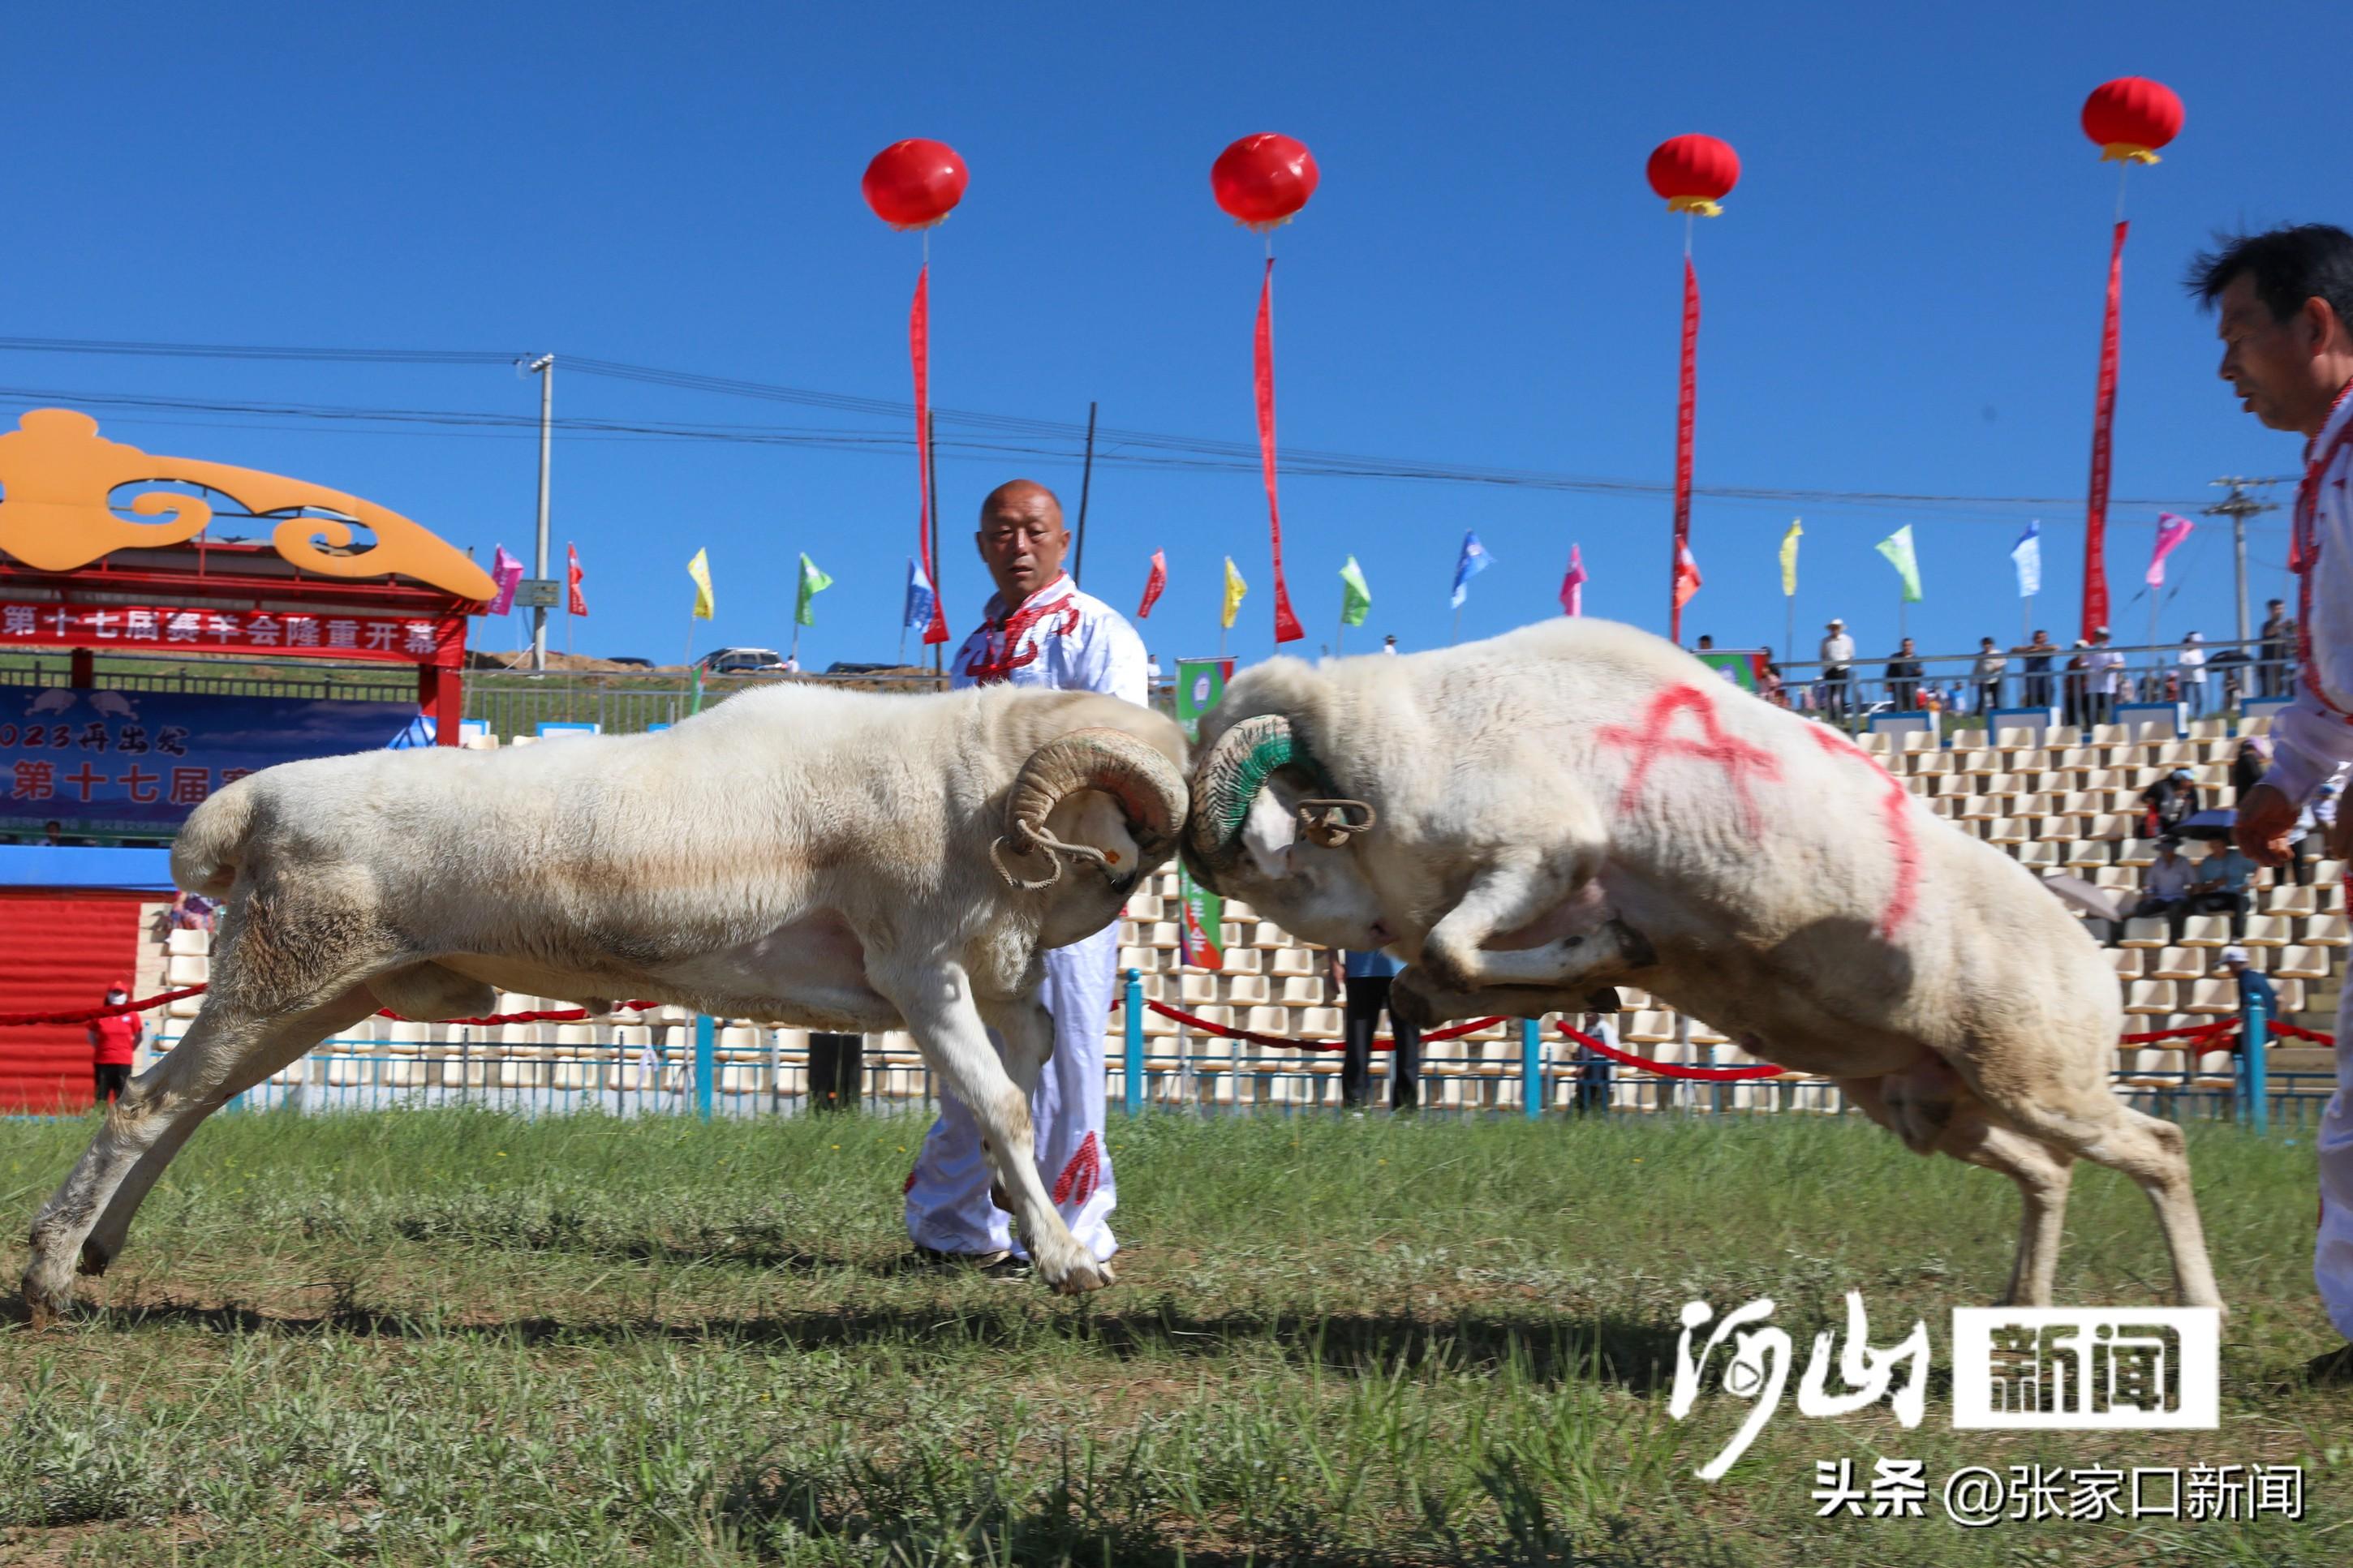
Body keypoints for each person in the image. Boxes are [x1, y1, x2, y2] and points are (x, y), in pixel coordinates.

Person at [904, 478, 1146, 1274]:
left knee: (1067, 1052)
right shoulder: (972, 650)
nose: (1018, 545)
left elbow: (1122, 751)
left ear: (1062, 540)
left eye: (1033, 530)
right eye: (1000, 532)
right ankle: (954, 1223)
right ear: (978, 546)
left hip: (1070, 881)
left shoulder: (1098, 633)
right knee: (964, 1049)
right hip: (976, 884)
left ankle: (1076, 1226)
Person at [2200, 223, 2353, 1385]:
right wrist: (2286, 784)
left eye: (2241, 333)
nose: (2226, 368)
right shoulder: (2329, 472)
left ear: (2320, 325)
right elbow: (2330, 681)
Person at [1328, 948, 1422, 1111]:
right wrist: (1334, 961)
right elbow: (1331, 922)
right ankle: (1354, 1108)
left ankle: (1406, 1111)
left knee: (1408, 1045)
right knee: (1357, 1046)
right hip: (1360, 969)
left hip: (1407, 970)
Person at [2127, 837, 2198, 943]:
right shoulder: (2157, 863)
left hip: (2179, 898)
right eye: (2164, 850)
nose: (2166, 853)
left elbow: (2193, 883)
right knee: (2141, 908)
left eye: (2168, 850)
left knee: (2174, 910)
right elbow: (2148, 884)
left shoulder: (2184, 862)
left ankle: (2173, 939)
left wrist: (2190, 898)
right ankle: (2145, 936)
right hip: (2160, 898)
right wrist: (2148, 894)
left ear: (2173, 850)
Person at [2188, 841, 2257, 942]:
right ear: (2210, 847)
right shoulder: (2207, 862)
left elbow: (2259, 867)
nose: (2217, 849)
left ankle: (2238, 936)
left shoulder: (2238, 856)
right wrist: (2213, 885)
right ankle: (2204, 934)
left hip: (2237, 894)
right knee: (2197, 900)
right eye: (2214, 846)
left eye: (2219, 846)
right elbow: (2199, 887)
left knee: (2239, 900)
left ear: (2225, 845)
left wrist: (2250, 883)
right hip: (2218, 896)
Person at [87, 980, 140, 1107]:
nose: (117, 996)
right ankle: (99, 1120)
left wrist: (129, 1049)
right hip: (103, 1061)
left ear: (126, 996)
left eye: (120, 993)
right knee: (101, 1095)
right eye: (114, 993)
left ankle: (122, 1122)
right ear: (109, 995)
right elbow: (91, 1035)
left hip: (124, 1061)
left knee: (122, 1095)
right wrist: (101, 1048)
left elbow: (139, 1035)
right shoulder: (100, 1014)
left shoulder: (132, 1015)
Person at [2218, 946, 2279, 1025]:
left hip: (2256, 1033)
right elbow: (2279, 999)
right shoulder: (2260, 976)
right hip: (2271, 1028)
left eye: (2229, 966)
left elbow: (2245, 1007)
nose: (2229, 970)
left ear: (2233, 964)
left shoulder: (2244, 979)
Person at [2140, 767, 2201, 839]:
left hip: (2182, 824)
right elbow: (2144, 798)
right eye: (2185, 781)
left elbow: (2195, 810)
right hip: (2161, 822)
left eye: (2190, 781)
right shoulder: (2160, 786)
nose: (2188, 784)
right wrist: (2149, 800)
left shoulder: (2192, 791)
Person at [1818, 618, 1855, 723]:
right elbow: (1823, 655)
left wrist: (1845, 664)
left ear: (1840, 629)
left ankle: (1842, 717)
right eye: (1833, 628)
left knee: (1842, 695)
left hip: (1842, 669)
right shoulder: (1825, 641)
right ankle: (1831, 717)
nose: (1834, 630)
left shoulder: (1848, 640)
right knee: (1830, 695)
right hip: (1829, 670)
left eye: (1836, 628)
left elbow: (1851, 654)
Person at [2014, 629, 2058, 711]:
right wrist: (2029, 650)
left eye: (2042, 637)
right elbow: (2013, 650)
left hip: (2046, 687)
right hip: (2031, 689)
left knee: (2047, 712)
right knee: (2029, 714)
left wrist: (2037, 649)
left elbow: (2055, 647)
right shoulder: (2028, 650)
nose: (2039, 640)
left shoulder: (2047, 649)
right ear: (2033, 639)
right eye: (2037, 637)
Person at [2091, 630, 2127, 725]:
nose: (2097, 638)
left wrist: (2110, 666)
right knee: (2095, 718)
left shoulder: (2112, 651)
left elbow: (2121, 664)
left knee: (2109, 716)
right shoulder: (2090, 651)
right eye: (2096, 636)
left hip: (2108, 689)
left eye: (2100, 636)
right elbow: (2083, 664)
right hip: (2093, 689)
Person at [2261, 597, 2292, 698]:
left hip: (2282, 664)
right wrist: (2281, 626)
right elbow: (2269, 632)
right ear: (2271, 611)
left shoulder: (2285, 627)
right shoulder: (2267, 625)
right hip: (2269, 666)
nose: (2280, 612)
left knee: (2283, 689)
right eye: (2277, 609)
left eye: (2281, 609)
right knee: (2268, 693)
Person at [1883, 637, 1923, 710]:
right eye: (1905, 645)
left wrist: (1919, 672)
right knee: (1899, 710)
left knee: (1912, 710)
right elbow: (1889, 672)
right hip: (1898, 689)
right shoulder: (1895, 657)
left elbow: (1920, 674)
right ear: (1902, 646)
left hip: (1911, 689)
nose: (1907, 647)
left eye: (1910, 645)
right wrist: (1887, 684)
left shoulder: (1916, 659)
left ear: (1913, 646)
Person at [1971, 637, 2007, 715]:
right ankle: (1978, 715)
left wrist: (1996, 667)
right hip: (1983, 681)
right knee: (1982, 700)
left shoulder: (1997, 653)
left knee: (1995, 699)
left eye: (1988, 644)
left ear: (1992, 645)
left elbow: (2003, 662)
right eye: (1985, 644)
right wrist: (1973, 680)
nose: (1987, 646)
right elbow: (1976, 668)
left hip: (1995, 680)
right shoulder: (1980, 656)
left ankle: (1997, 714)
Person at [2232, 736, 2273, 801]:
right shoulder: (2249, 760)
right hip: (2251, 801)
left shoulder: (2241, 759)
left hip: (2244, 801)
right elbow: (2257, 778)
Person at [2063, 639, 2093, 727]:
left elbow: (2087, 677)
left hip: (2085, 694)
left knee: (2088, 718)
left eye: (2080, 648)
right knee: (2072, 722)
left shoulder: (2089, 661)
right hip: (2072, 695)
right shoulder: (2070, 663)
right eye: (2076, 648)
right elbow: (2067, 679)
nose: (2078, 650)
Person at [2177, 632, 2209, 715]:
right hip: (2187, 679)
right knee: (2187, 701)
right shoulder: (2183, 650)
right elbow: (2182, 662)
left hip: (2200, 678)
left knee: (2201, 699)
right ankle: (2187, 717)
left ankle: (2198, 717)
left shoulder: (2199, 651)